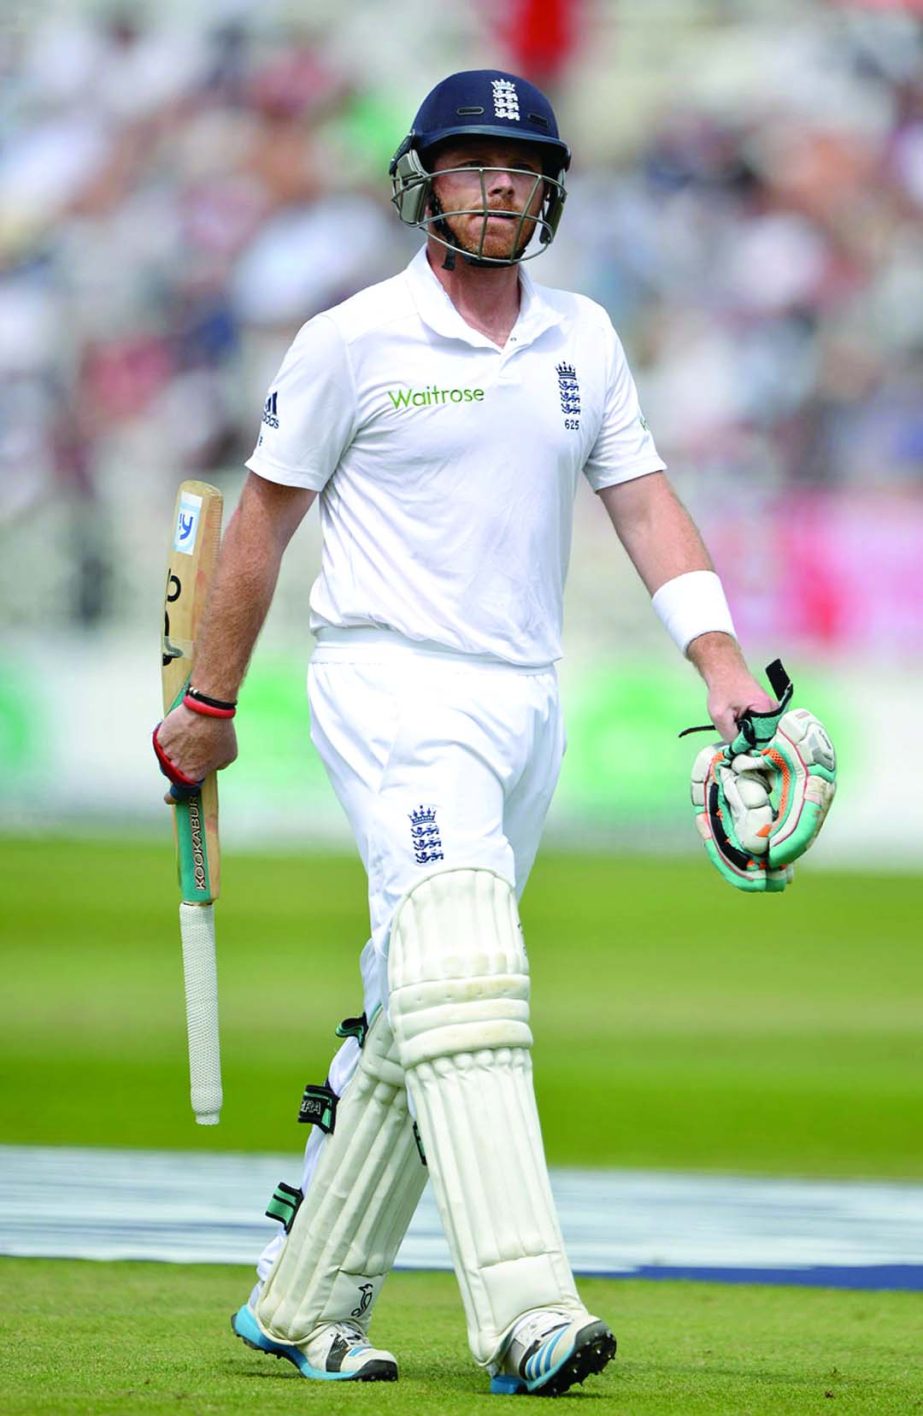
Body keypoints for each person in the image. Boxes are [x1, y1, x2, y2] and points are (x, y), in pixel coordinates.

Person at [154, 69, 775, 1397]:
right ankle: (528, 1311)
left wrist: (719, 657)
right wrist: (209, 707)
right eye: (472, 163)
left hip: (522, 700)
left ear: (549, 192)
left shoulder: (583, 341)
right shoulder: (350, 339)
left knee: (419, 1005)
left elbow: (647, 499)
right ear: (422, 180)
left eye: (521, 167)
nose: (498, 185)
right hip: (390, 684)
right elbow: (259, 525)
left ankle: (303, 1299)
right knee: (471, 975)